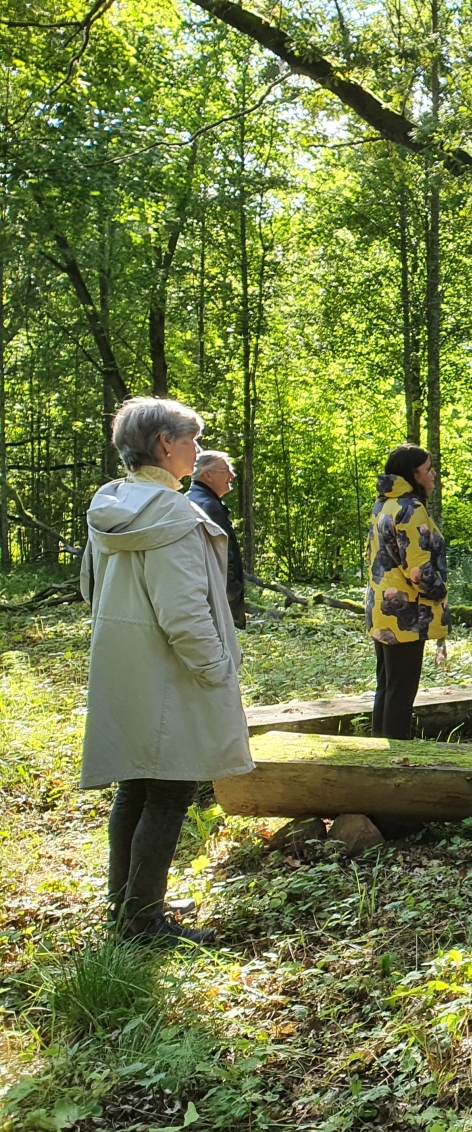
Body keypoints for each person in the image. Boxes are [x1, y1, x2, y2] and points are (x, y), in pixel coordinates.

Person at [79, 396, 253, 946]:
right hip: (174, 670)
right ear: (164, 445)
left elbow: (89, 588)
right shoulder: (172, 513)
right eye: (192, 440)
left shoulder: (113, 503)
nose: (198, 450)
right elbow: (184, 611)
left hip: (129, 667)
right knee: (170, 790)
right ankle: (143, 921)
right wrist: (217, 668)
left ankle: (126, 903)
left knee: (136, 783)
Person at [364, 443, 448, 740]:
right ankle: (396, 759)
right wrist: (439, 592)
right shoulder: (410, 509)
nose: (433, 474)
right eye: (428, 470)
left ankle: (379, 752)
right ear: (413, 475)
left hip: (382, 609)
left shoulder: (383, 504)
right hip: (406, 613)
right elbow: (418, 570)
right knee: (401, 689)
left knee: (387, 685)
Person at [188, 450, 246, 630]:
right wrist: (232, 594)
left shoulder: (190, 500)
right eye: (226, 470)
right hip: (214, 605)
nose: (232, 476)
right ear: (208, 475)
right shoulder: (208, 507)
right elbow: (222, 559)